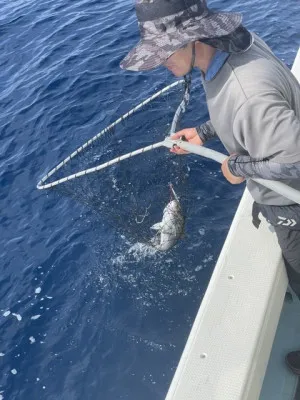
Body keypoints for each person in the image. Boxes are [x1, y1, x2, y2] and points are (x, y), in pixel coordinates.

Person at [120, 0, 300, 373]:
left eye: (164, 50)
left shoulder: (248, 92)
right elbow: (241, 109)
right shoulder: (234, 46)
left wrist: (238, 166)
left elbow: (295, 159)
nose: (160, 62)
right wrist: (203, 132)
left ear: (193, 38)